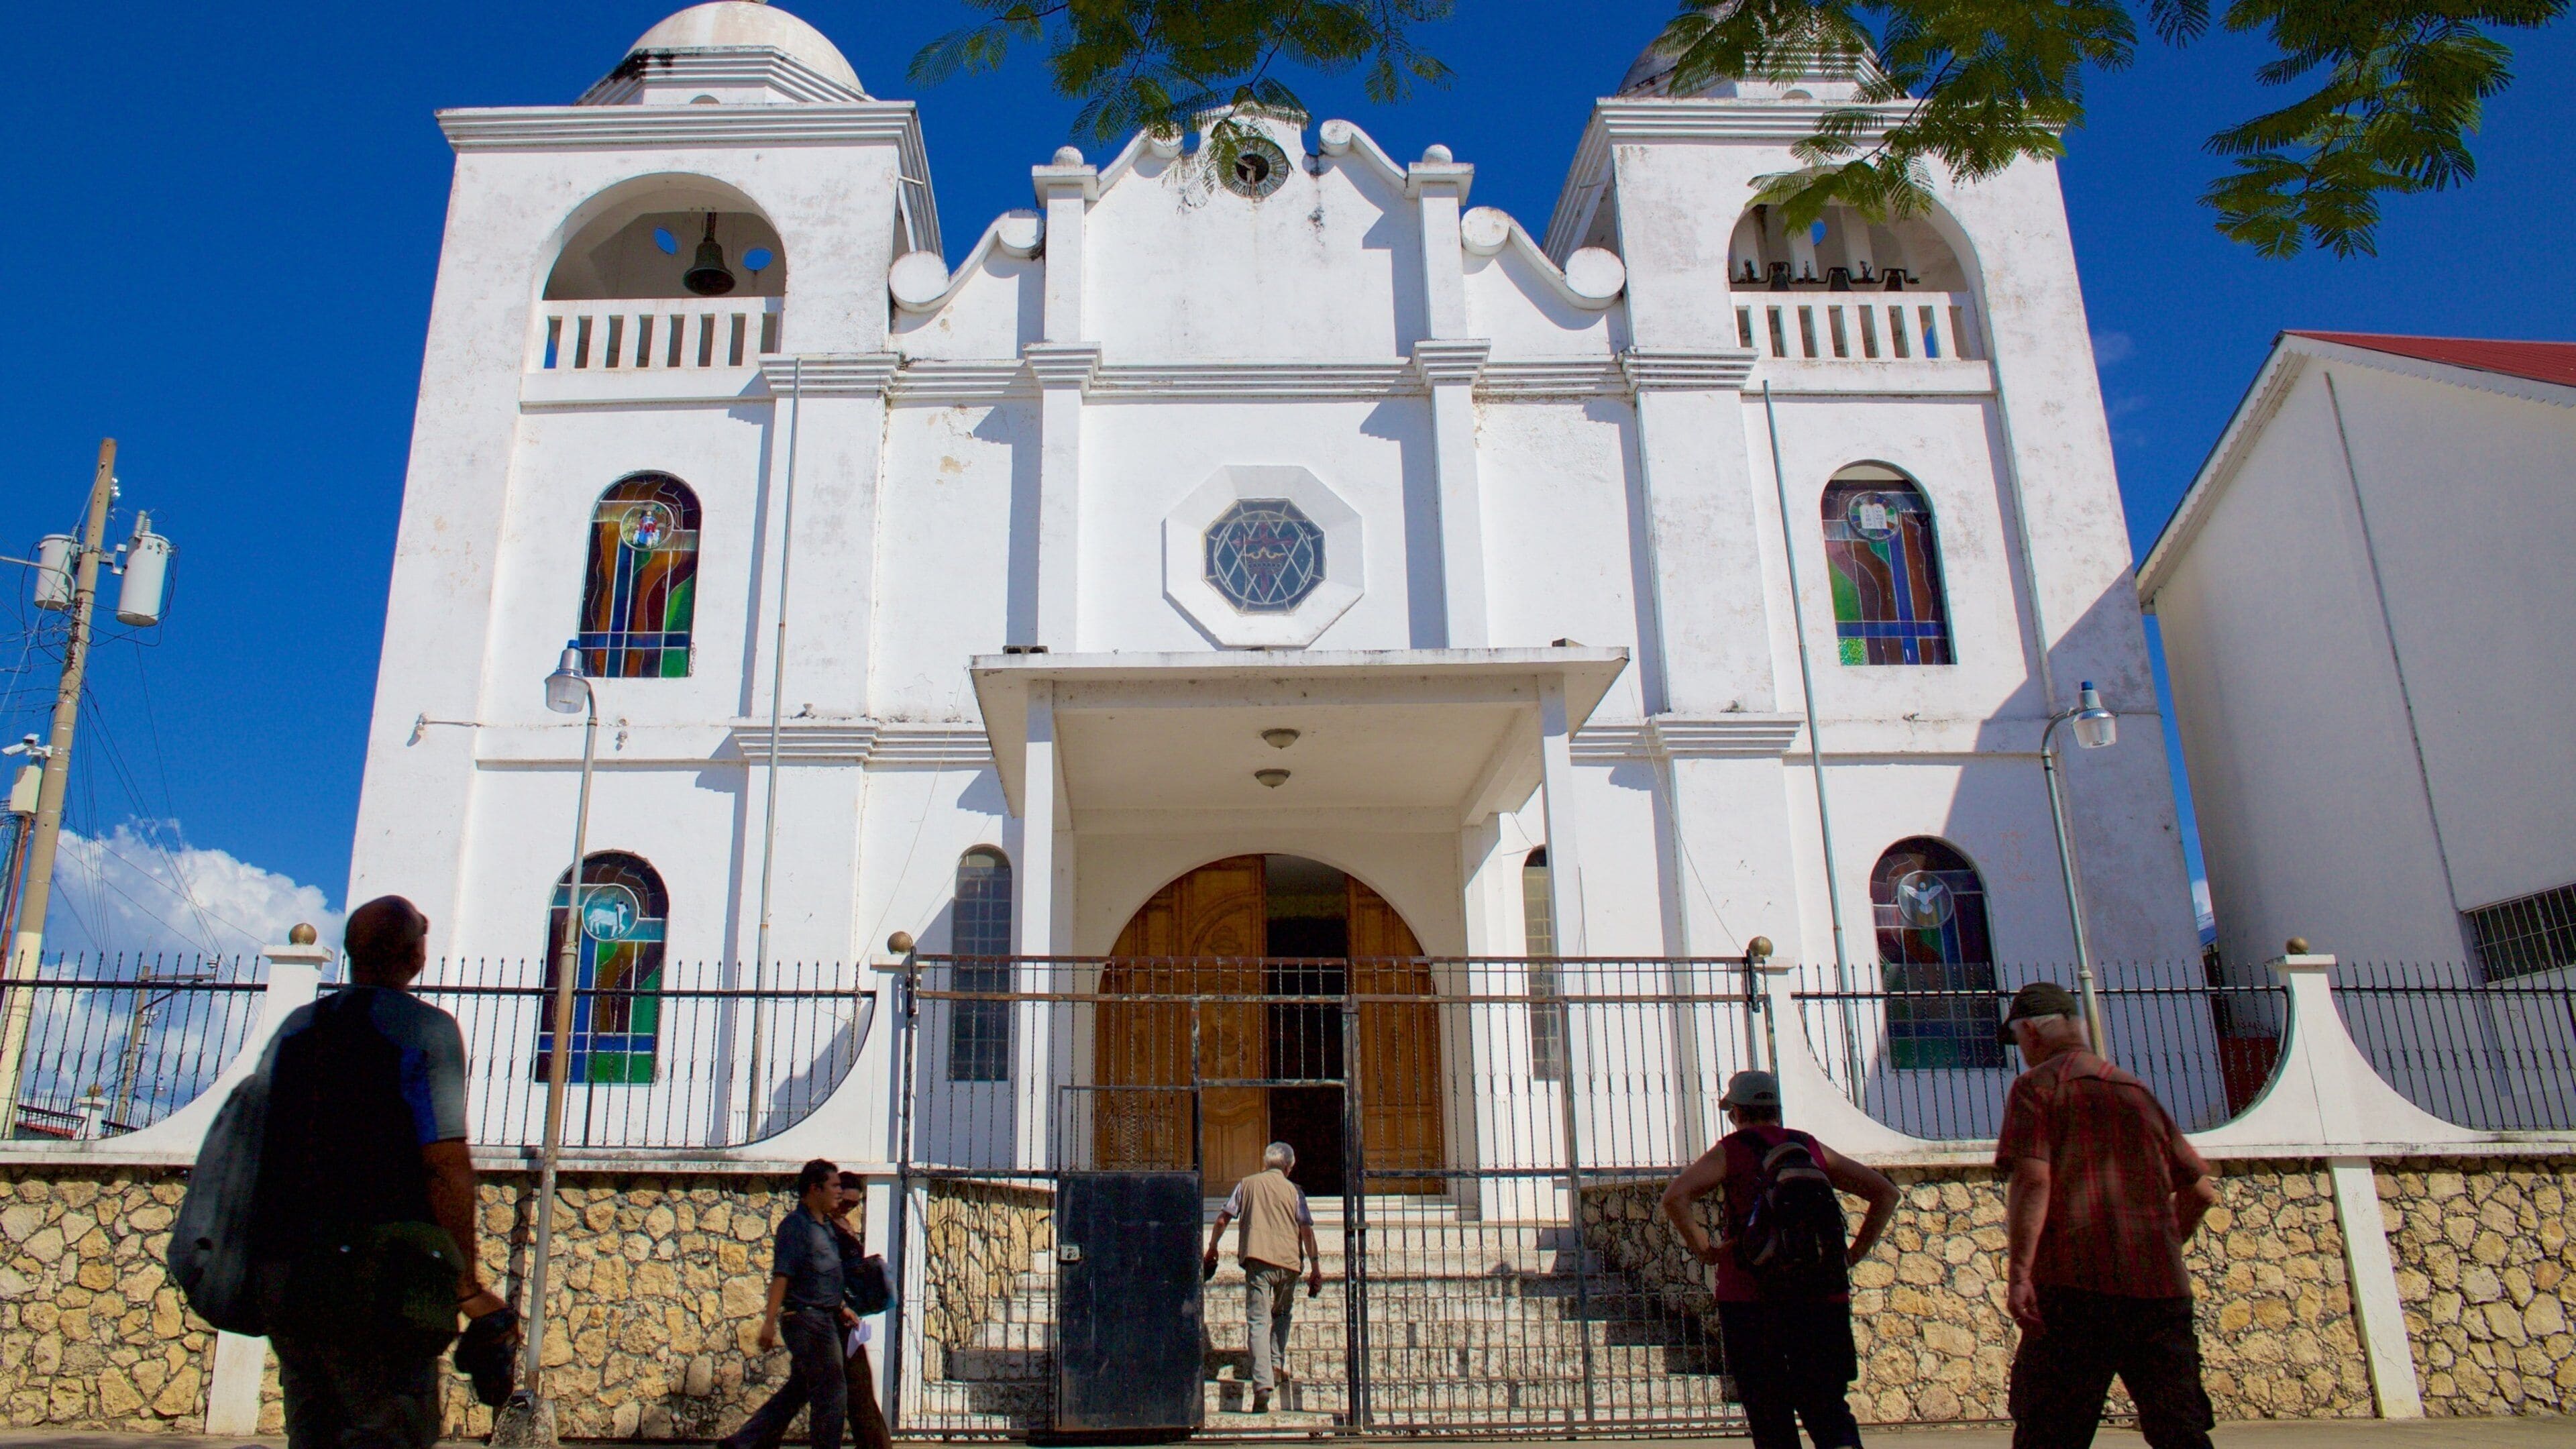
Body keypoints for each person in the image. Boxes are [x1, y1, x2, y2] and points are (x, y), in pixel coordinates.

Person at [259, 896, 511, 1449]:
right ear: (416, 956)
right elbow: (444, 1165)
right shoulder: (424, 1031)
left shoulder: (299, 1029)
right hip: (382, 1285)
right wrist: (467, 1287)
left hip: (296, 1282)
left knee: (313, 1434)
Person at [1996, 982, 2222, 1449]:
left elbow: (2034, 1181)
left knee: (2049, 1434)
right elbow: (2201, 1192)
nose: (2021, 1052)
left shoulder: (2038, 1088)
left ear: (2031, 1032)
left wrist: (2019, 1276)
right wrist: (2160, 1247)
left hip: (2074, 1292)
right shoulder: (2135, 1091)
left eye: (2018, 1040)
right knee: (2181, 1432)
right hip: (2159, 1295)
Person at [1660, 1069, 1896, 1449]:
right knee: (1828, 1408)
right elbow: (1885, 1193)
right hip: (1822, 1296)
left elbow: (1675, 1197)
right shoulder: (1808, 1147)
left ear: (1737, 1112)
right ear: (1776, 1109)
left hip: (1750, 1298)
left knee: (1769, 1411)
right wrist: (1853, 1253)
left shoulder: (1733, 1149)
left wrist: (1705, 1249)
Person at [722, 1160, 858, 1449]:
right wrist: (769, 1322)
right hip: (808, 1321)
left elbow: (823, 1275)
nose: (840, 1191)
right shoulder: (796, 1227)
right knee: (832, 1391)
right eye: (834, 1186)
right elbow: (782, 1275)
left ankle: (743, 1443)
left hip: (825, 1317)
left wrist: (841, 1306)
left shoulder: (826, 1227)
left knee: (799, 1389)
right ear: (815, 1189)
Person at [1201, 1142, 1323, 1413]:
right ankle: (1276, 1364)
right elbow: (1306, 1230)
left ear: (1265, 1163)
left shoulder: (1246, 1185)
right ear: (1289, 1167)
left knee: (1258, 1321)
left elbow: (1222, 1219)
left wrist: (1212, 1248)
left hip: (1258, 1259)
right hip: (1289, 1263)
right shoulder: (1295, 1191)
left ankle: (1262, 1385)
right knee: (1282, 1314)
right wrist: (1315, 1267)